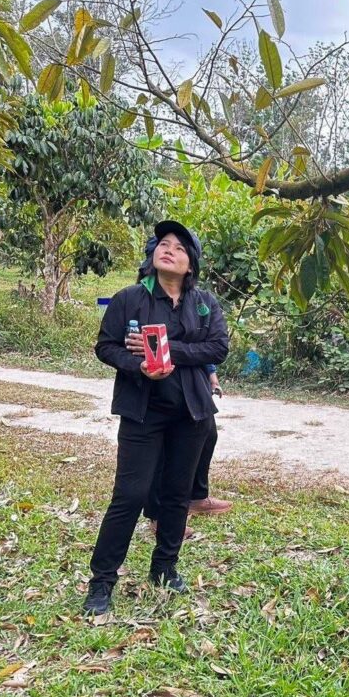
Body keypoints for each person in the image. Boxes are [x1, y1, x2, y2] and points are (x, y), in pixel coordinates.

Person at [83, 220, 229, 616]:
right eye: (164, 243)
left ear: (190, 263)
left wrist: (166, 349)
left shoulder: (204, 303)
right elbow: (105, 347)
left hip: (191, 413)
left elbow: (218, 347)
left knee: (177, 495)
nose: (169, 250)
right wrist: (139, 365)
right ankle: (102, 581)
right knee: (130, 495)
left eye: (180, 248)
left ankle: (164, 568)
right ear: (153, 254)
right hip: (143, 412)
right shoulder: (129, 299)